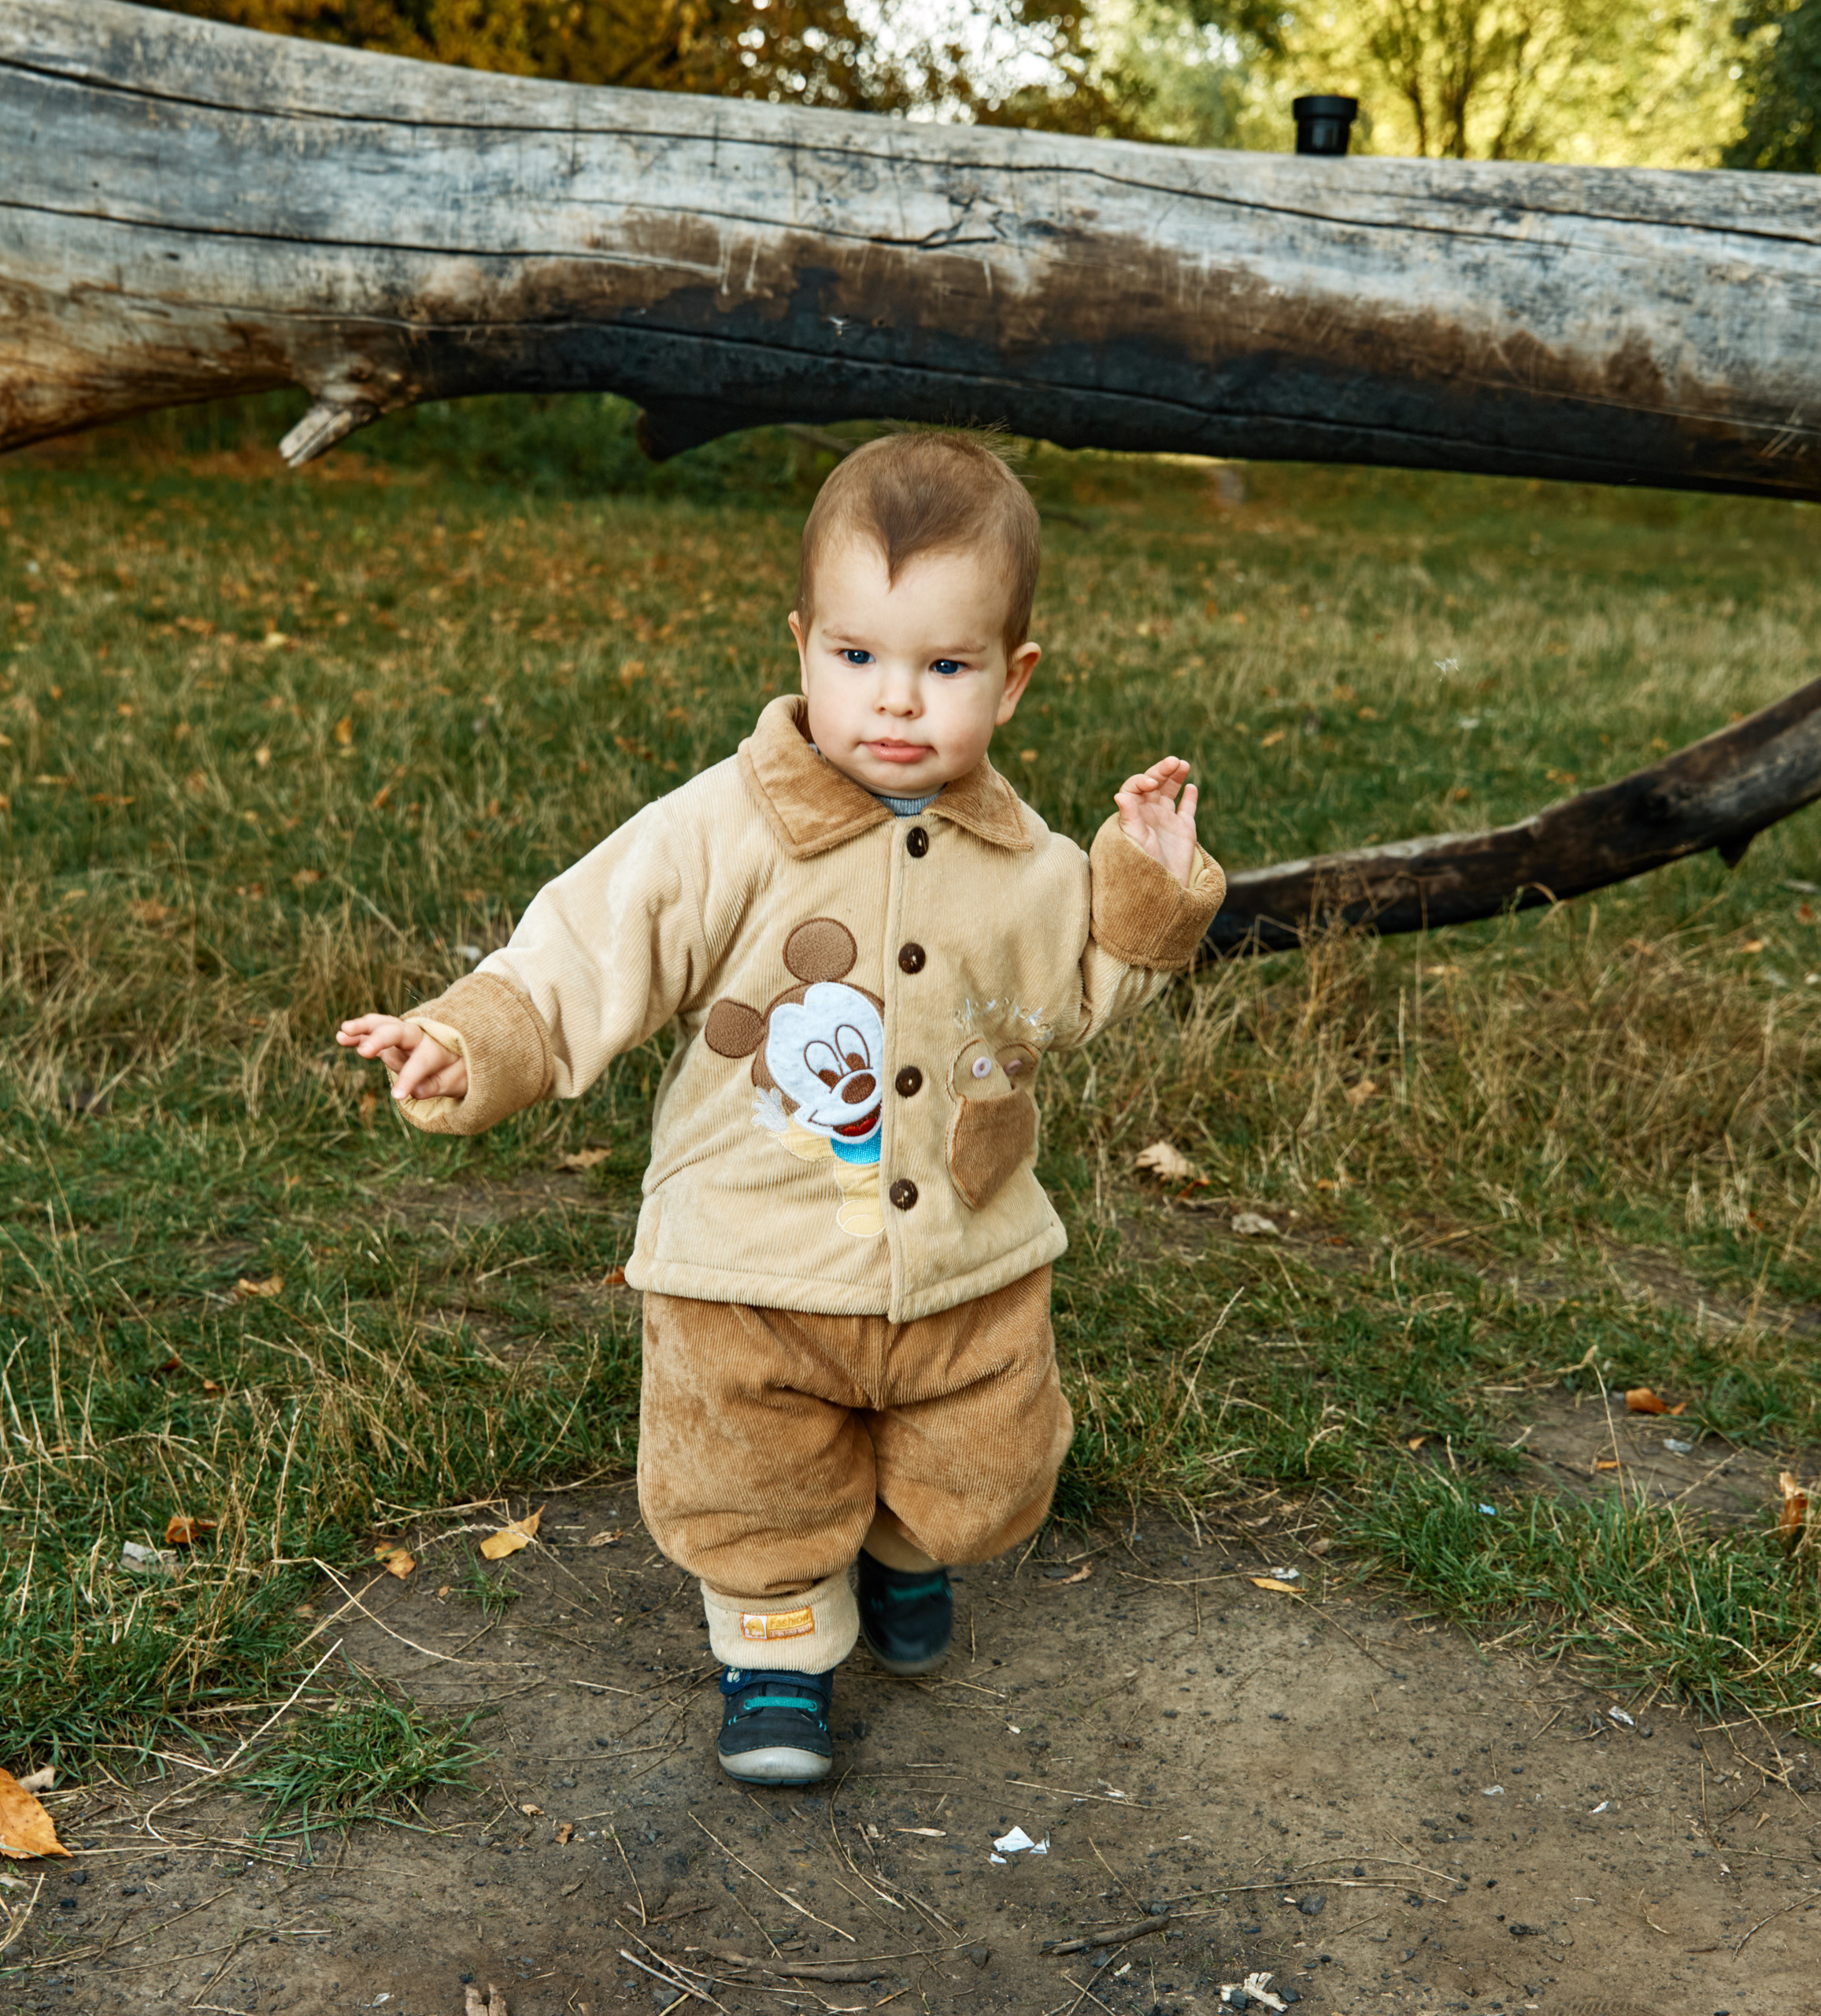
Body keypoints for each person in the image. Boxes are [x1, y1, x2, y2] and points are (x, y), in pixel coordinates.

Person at [337, 432, 1225, 1784]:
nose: (896, 702)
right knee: (749, 1478)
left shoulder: (1024, 860)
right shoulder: (720, 830)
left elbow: (1083, 984)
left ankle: (908, 1549)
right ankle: (776, 1656)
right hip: (746, 1259)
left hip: (965, 1260)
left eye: (945, 667)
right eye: (858, 657)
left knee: (983, 1467)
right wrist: (473, 1036)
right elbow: (588, 948)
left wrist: (1146, 890)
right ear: (802, 645)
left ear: (1013, 676)